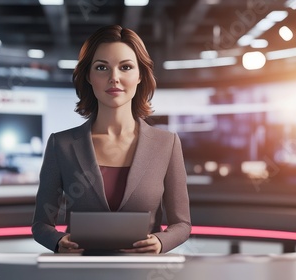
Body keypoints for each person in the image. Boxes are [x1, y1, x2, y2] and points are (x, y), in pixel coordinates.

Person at [32, 25, 191, 254]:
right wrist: (57, 241)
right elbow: (41, 224)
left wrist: (160, 241)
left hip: (143, 273)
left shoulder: (166, 144)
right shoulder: (62, 145)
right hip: (80, 272)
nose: (114, 78)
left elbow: (182, 224)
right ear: (88, 76)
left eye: (125, 67)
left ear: (140, 75)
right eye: (101, 68)